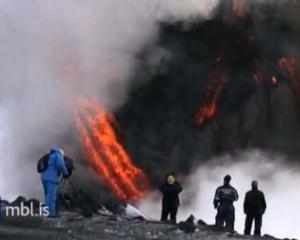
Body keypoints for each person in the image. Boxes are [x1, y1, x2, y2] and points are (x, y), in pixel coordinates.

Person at [40, 148, 69, 218]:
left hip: (44, 177)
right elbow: (60, 165)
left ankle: (47, 212)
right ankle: (51, 213)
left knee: (47, 195)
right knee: (52, 196)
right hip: (51, 178)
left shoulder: (50, 156)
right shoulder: (58, 156)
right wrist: (66, 173)